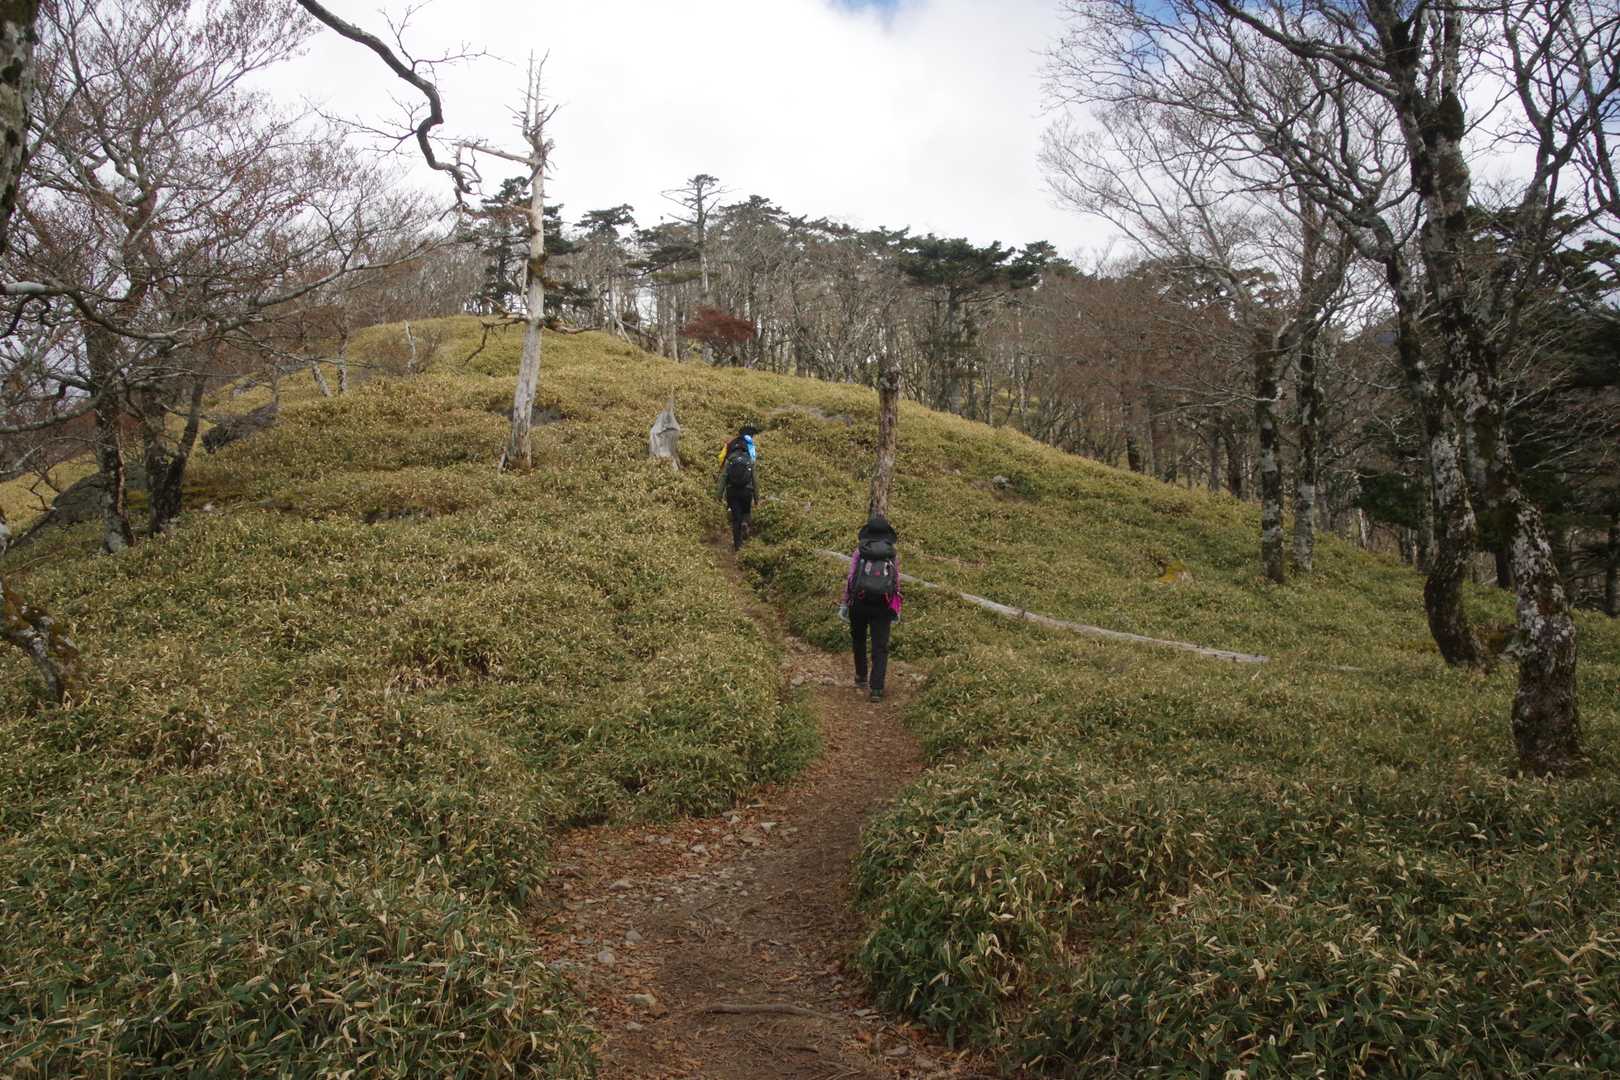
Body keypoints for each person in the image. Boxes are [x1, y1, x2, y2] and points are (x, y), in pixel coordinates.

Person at [838, 513, 903, 703]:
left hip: (859, 602)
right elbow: (896, 581)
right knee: (880, 645)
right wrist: (896, 607)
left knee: (859, 639)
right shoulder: (892, 553)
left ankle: (861, 676)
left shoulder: (859, 552)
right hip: (883, 604)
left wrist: (845, 602)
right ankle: (876, 688)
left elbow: (851, 578)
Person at [716, 425, 759, 551]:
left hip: (732, 491)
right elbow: (755, 479)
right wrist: (757, 498)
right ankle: (745, 523)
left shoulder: (730, 457)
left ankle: (737, 545)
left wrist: (718, 495)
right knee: (746, 511)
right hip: (747, 491)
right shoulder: (749, 458)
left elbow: (723, 477)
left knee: (736, 518)